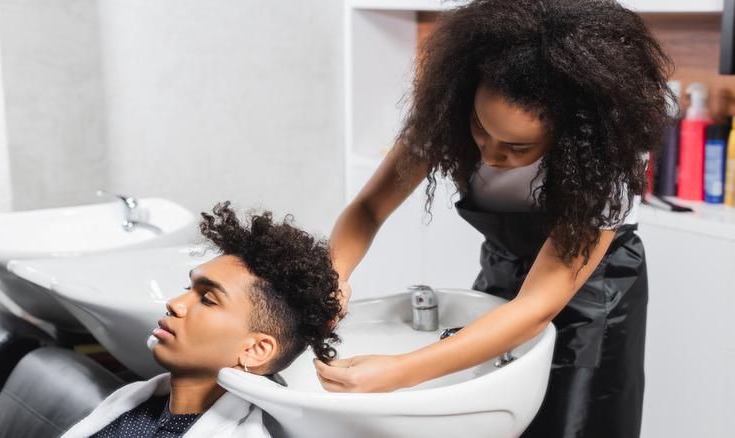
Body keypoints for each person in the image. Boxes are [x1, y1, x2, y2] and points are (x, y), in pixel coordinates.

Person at [314, 1, 673, 437]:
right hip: (505, 271)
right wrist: (332, 279)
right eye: (480, 127)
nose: (490, 153)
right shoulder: (443, 117)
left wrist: (398, 374)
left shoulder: (605, 162)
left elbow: (535, 307)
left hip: (594, 292)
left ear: (572, 132)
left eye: (518, 148)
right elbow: (369, 209)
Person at [63, 202, 341, 438]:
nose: (174, 304)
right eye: (189, 290)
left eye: (207, 299)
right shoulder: (131, 408)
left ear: (255, 350)